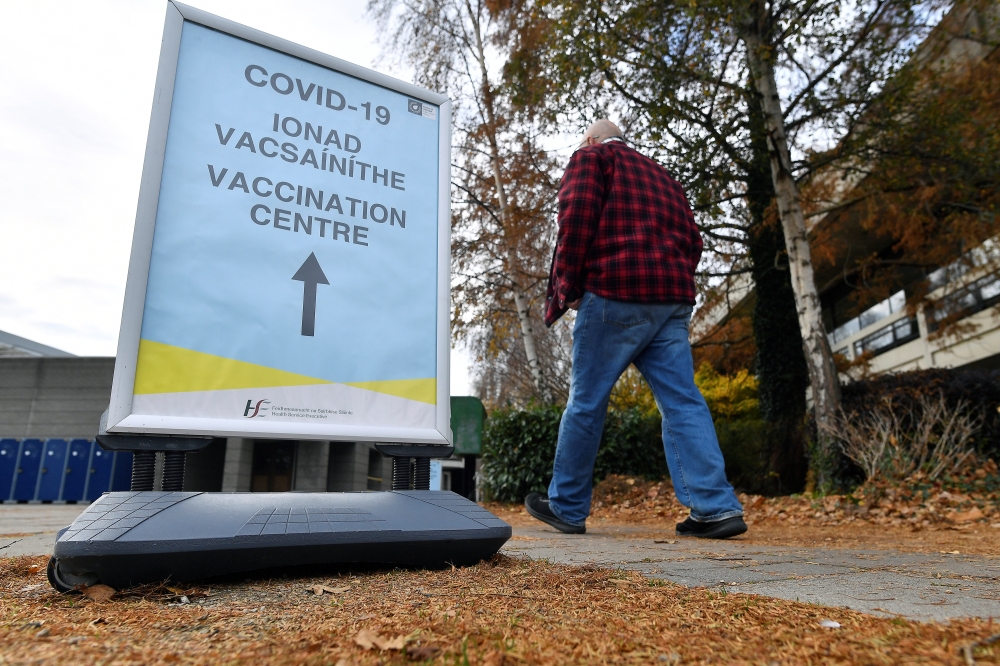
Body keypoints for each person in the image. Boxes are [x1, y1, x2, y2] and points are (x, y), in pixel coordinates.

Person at [524, 119, 746, 539]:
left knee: (587, 401)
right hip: (671, 301)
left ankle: (567, 507)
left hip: (614, 292)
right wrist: (671, 278)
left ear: (591, 138)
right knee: (682, 401)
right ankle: (716, 508)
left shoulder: (591, 157)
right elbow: (693, 241)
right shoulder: (665, 176)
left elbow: (575, 219)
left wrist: (568, 286)